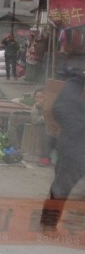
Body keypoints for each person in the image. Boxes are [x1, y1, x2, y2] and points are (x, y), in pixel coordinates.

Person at [39, 72, 85, 234]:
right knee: (62, 186)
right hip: (74, 145)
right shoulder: (76, 84)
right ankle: (48, 224)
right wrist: (77, 128)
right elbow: (59, 109)